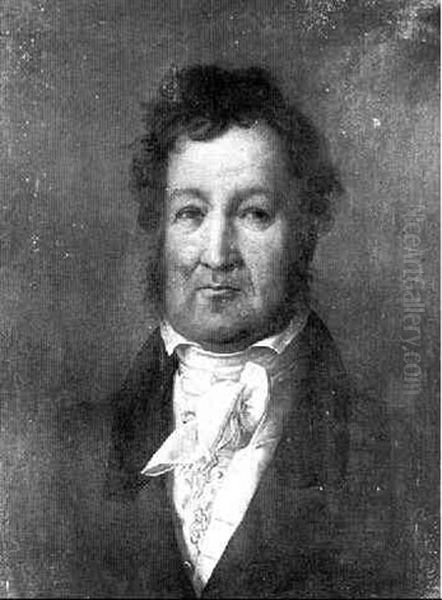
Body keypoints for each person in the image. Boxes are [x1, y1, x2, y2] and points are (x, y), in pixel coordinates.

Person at [5, 64, 392, 598]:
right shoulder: (70, 453)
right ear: (161, 231)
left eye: (254, 214)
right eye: (191, 213)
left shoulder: (388, 455)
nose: (217, 254)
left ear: (304, 229)